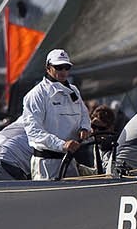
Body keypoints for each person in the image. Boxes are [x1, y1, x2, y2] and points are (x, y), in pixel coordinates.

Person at [23, 48, 93, 181]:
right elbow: (33, 131)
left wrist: (84, 128)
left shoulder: (74, 91)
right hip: (46, 164)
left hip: (70, 161)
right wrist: (62, 144)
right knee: (47, 201)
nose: (63, 71)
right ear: (48, 68)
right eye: (59, 67)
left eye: (66, 67)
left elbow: (84, 115)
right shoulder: (36, 95)